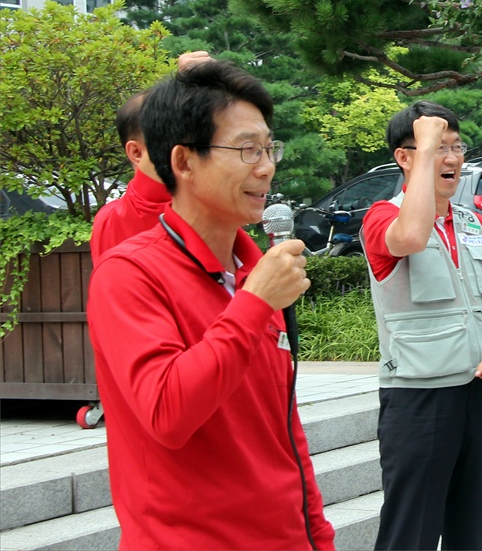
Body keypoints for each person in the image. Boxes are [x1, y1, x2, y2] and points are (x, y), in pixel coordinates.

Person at [87, 60, 335, 550]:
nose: (266, 166)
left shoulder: (253, 268)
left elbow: (281, 430)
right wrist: (253, 303)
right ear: (183, 161)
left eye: (269, 147)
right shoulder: (128, 274)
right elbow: (168, 413)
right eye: (246, 149)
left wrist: (316, 535)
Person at [361, 101, 482, 550]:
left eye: (457, 147)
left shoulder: (472, 222)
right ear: (404, 157)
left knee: (472, 531)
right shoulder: (382, 216)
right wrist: (424, 145)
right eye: (437, 148)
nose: (451, 159)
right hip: (419, 399)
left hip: (479, 393)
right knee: (411, 532)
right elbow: (410, 238)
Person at [90, 51, 212, 262]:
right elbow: (153, 196)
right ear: (137, 152)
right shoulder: (117, 218)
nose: (188, 152)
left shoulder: (206, 202)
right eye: (175, 137)